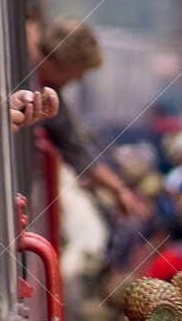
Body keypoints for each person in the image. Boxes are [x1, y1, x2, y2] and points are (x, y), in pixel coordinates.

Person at [32, 18, 147, 220]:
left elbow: (79, 151)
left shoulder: (51, 94)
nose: (79, 79)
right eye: (81, 70)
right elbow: (79, 152)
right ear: (65, 62)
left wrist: (118, 190)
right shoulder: (29, 79)